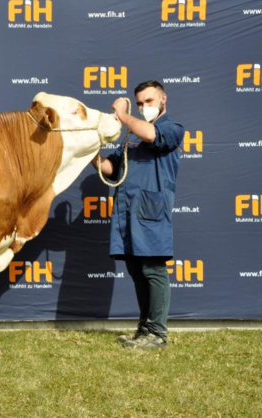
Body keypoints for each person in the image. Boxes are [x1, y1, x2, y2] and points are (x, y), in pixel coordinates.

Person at [91, 80, 185, 349]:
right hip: (128, 212)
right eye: (141, 103)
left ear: (163, 99)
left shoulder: (172, 129)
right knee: (137, 270)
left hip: (152, 212)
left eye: (150, 101)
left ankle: (157, 334)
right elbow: (110, 168)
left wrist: (122, 115)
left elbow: (152, 135)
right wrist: (87, 149)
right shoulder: (131, 138)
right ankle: (145, 329)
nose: (145, 107)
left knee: (153, 269)